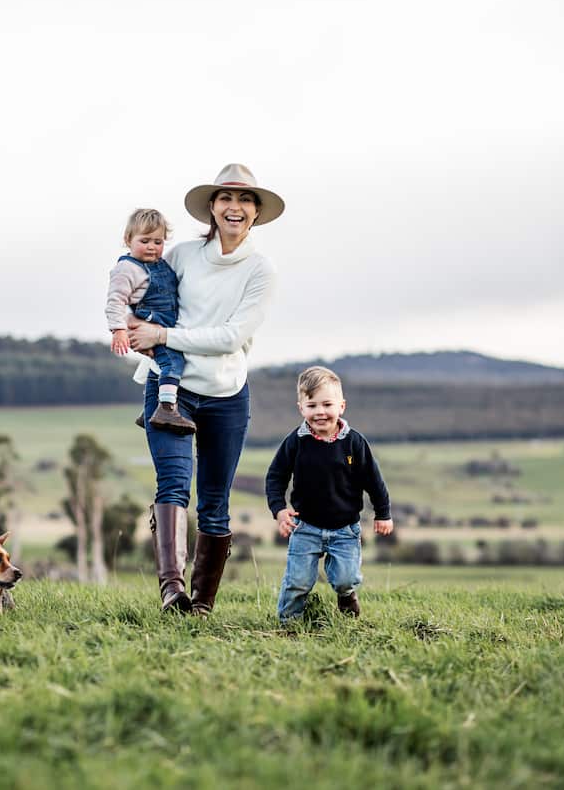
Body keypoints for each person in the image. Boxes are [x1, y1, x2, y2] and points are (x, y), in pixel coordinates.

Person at [126, 163, 283, 614]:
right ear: (212, 208)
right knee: (173, 486)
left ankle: (203, 604)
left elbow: (232, 337)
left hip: (226, 395)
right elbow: (144, 299)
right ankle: (172, 590)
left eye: (245, 200)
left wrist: (166, 337)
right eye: (226, 199)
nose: (235, 208)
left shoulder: (261, 271)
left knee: (215, 503)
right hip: (169, 388)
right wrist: (135, 326)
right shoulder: (179, 256)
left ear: (255, 212)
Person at [266, 366, 393, 621]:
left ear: (341, 406)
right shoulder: (296, 442)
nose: (320, 412)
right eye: (312, 406)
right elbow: (275, 476)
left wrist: (383, 514)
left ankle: (347, 597)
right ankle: (289, 624)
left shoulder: (354, 443)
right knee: (298, 581)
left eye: (327, 404)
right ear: (301, 408)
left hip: (345, 529)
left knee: (347, 578)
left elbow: (373, 480)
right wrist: (279, 510)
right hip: (305, 526)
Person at [106, 208, 196, 434]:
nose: (152, 247)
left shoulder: (160, 264)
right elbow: (115, 300)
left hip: (166, 324)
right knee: (172, 363)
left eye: (158, 242)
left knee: (163, 364)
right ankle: (166, 409)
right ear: (128, 240)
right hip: (153, 324)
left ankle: (149, 411)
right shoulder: (126, 269)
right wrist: (119, 329)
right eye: (144, 241)